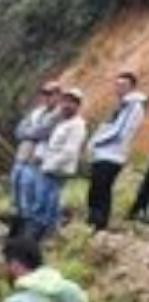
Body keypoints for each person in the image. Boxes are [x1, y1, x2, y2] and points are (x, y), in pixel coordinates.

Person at [86, 72, 147, 231]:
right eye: (117, 84)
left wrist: (96, 142)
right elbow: (108, 126)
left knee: (101, 190)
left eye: (123, 85)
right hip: (104, 153)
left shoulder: (134, 105)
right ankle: (95, 223)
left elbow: (120, 131)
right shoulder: (122, 104)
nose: (119, 88)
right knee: (97, 189)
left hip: (113, 154)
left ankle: (99, 225)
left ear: (132, 87)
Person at [30, 88, 88, 239]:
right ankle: (39, 235)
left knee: (48, 204)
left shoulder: (78, 125)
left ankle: (44, 236)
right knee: (42, 203)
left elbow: (69, 152)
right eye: (65, 101)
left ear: (78, 105)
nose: (67, 105)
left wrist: (48, 165)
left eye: (72, 102)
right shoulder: (62, 122)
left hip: (57, 171)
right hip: (49, 168)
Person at [10, 81, 62, 233]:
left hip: (37, 161)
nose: (46, 96)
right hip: (21, 158)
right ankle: (19, 232)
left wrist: (29, 132)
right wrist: (31, 132)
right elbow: (18, 130)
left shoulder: (59, 113)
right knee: (16, 198)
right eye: (44, 93)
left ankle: (33, 233)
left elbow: (44, 131)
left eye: (50, 93)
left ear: (58, 95)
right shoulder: (36, 112)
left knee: (32, 199)